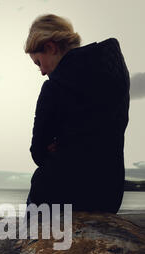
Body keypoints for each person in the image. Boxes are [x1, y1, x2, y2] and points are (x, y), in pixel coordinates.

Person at [24, 14, 130, 215]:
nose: (42, 72)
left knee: (31, 233)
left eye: (38, 62)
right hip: (108, 195)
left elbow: (37, 152)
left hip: (60, 195)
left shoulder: (54, 88)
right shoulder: (117, 75)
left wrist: (56, 146)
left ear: (50, 47)